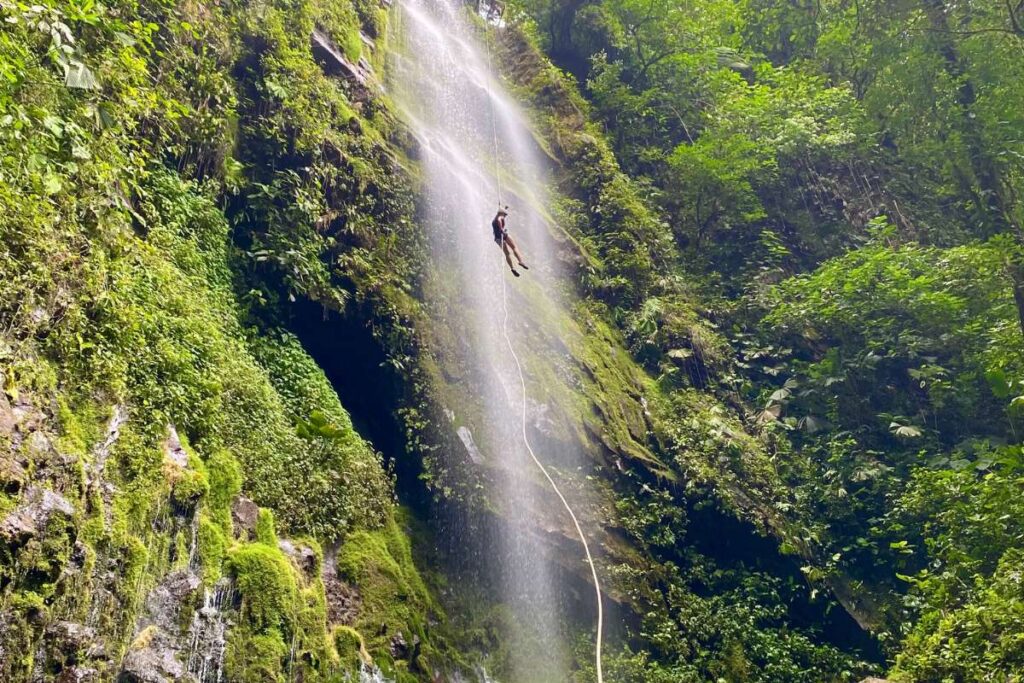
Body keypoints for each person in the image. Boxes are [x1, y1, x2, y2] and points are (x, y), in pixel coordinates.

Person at [491, 206, 529, 277]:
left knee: (507, 253)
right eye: (505, 215)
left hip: (498, 237)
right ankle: (520, 261)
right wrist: (501, 229)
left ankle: (512, 268)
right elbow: (499, 219)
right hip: (502, 235)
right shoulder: (500, 217)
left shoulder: (495, 218)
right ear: (502, 213)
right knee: (514, 247)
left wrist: (505, 208)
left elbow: (500, 214)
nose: (505, 216)